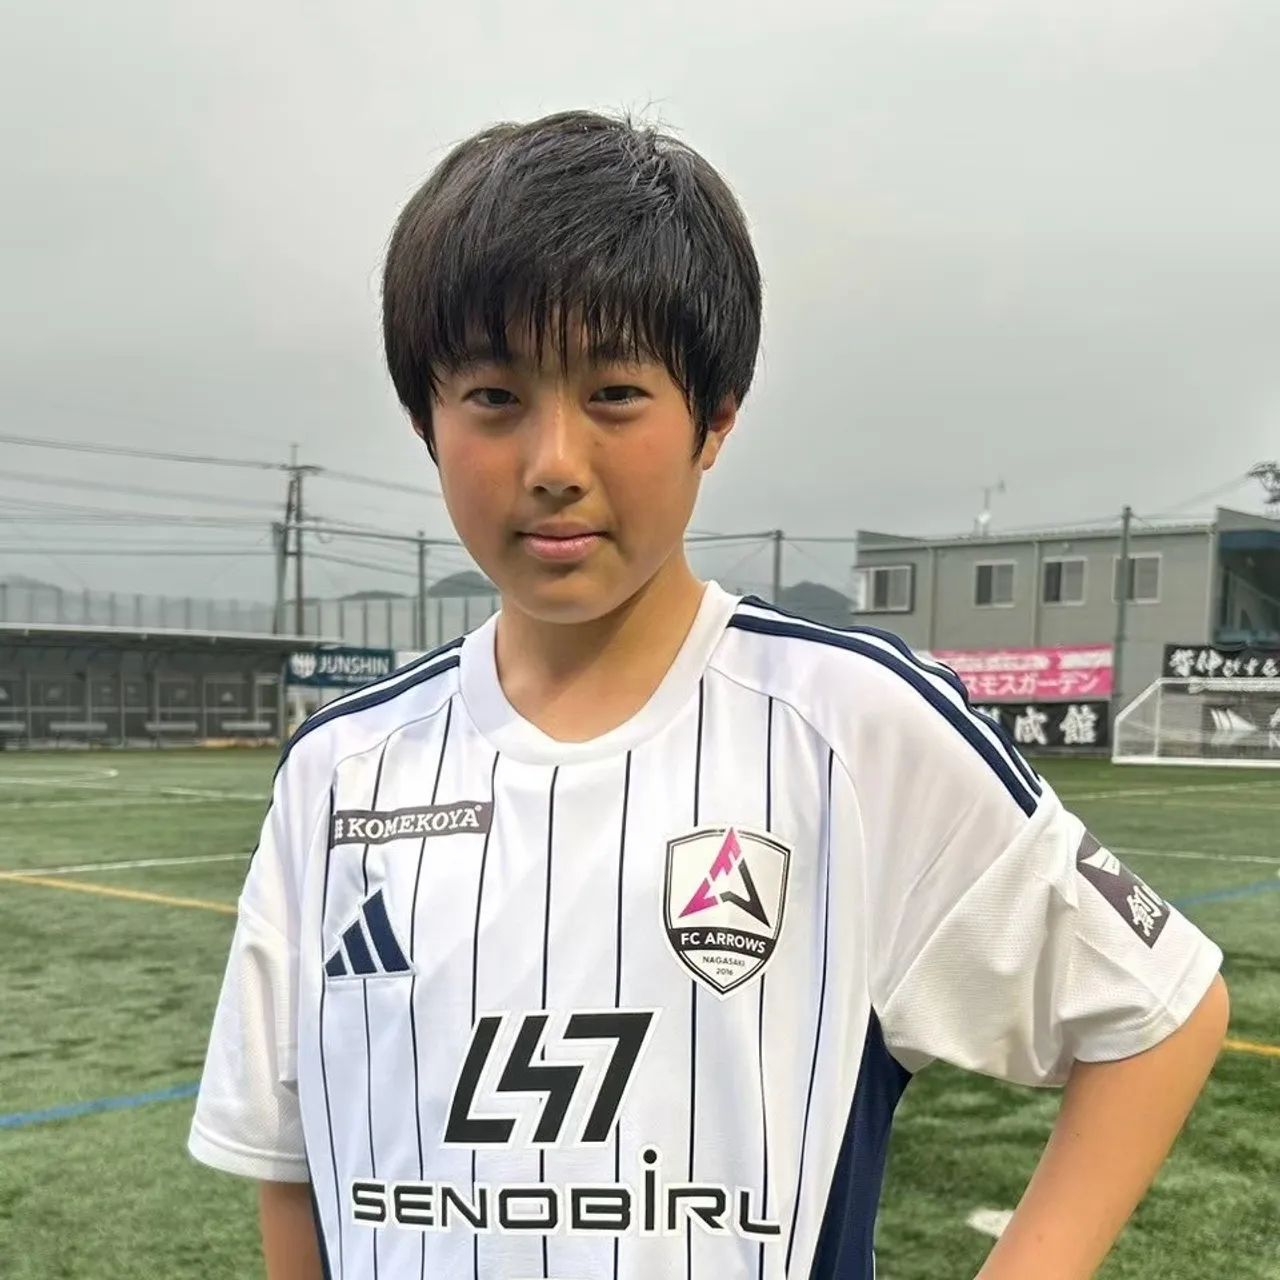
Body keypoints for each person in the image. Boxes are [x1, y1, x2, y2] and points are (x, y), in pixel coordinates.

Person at [188, 110, 1229, 1280]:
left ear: (714, 418)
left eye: (614, 392)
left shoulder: (848, 726)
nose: (553, 461)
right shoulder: (338, 772)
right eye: (491, 395)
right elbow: (295, 1159)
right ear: (425, 419)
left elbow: (1158, 1008)